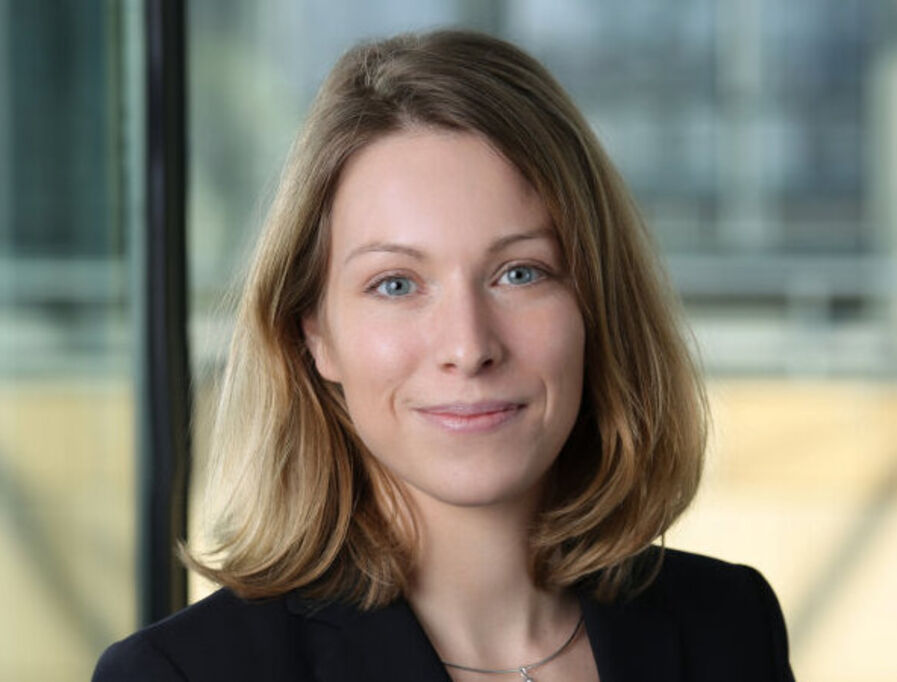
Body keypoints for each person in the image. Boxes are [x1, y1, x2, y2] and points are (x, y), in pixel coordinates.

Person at [93, 29, 795, 682]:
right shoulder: (182, 674)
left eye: (520, 272)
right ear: (314, 334)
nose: (468, 346)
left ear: (595, 303)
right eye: (396, 284)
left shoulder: (729, 625)